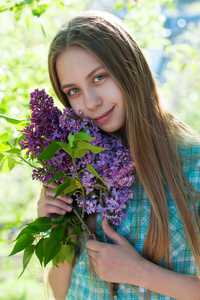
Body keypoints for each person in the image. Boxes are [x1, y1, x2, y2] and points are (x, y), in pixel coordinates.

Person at [37, 10, 200, 300]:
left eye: (99, 77)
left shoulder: (192, 164)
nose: (91, 102)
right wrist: (55, 225)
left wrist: (140, 273)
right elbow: (61, 292)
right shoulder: (74, 170)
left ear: (130, 68)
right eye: (73, 90)